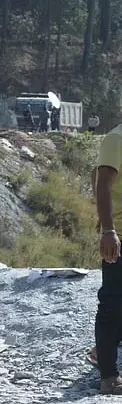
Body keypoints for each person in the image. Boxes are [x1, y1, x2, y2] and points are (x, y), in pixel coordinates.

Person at [92, 124, 122, 394]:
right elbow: (101, 183)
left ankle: (102, 351)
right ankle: (109, 376)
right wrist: (108, 230)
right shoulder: (117, 139)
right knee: (112, 304)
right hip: (119, 237)